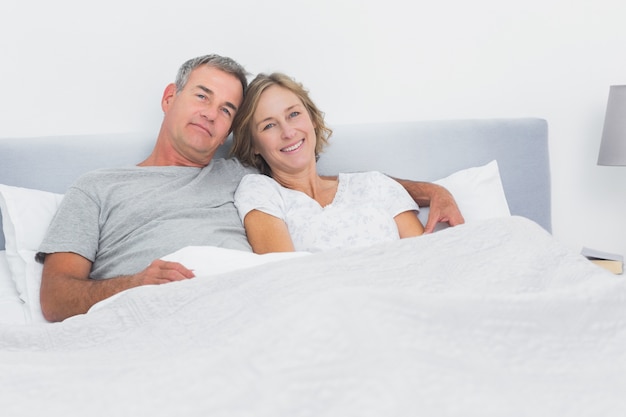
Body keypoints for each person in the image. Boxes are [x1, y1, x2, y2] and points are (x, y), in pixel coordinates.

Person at [37, 54, 464, 323]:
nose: (211, 114)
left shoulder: (245, 175)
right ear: (170, 97)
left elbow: (343, 186)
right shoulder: (97, 187)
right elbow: (55, 298)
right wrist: (133, 284)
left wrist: (429, 191)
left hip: (251, 310)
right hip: (156, 311)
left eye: (226, 109)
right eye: (202, 97)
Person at [231, 73, 424, 253]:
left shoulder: (375, 183)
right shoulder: (260, 192)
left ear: (312, 119)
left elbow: (426, 257)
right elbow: (284, 274)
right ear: (254, 144)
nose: (288, 132)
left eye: (293, 114)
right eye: (269, 125)